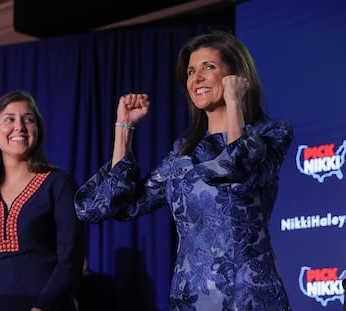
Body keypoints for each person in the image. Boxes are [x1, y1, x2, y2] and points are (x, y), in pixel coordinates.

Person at [74, 30, 293, 310]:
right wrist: (124, 129)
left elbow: (237, 166)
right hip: (192, 298)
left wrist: (234, 101)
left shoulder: (271, 135)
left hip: (250, 296)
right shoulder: (182, 155)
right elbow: (113, 206)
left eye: (208, 67)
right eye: (191, 71)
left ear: (236, 75)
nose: (196, 78)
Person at [0, 90, 84, 311]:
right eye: (9, 119)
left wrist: (42, 307)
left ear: (38, 130)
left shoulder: (58, 184)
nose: (20, 127)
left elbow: (71, 260)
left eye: (29, 119)